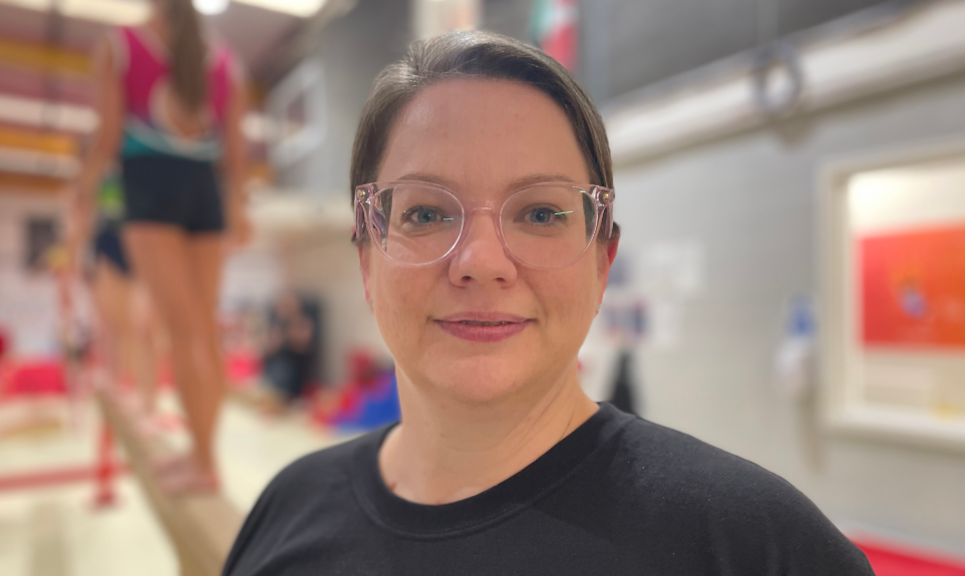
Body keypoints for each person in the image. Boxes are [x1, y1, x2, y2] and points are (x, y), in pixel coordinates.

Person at [223, 31, 874, 575]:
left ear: (602, 262)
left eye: (539, 212)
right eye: (425, 211)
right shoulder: (289, 512)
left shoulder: (751, 545)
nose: (481, 261)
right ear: (366, 259)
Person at [70, 0, 248, 493]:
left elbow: (106, 138)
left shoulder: (119, 47)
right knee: (204, 333)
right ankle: (204, 456)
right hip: (205, 191)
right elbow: (235, 152)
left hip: (150, 187)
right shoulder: (225, 59)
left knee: (185, 332)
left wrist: (79, 195)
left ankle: (204, 463)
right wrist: (242, 209)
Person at [67, 172, 161, 425]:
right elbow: (81, 218)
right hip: (108, 247)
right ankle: (114, 383)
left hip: (141, 246)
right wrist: (73, 255)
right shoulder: (98, 176)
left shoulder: (140, 165)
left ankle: (148, 403)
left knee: (143, 330)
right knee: (109, 326)